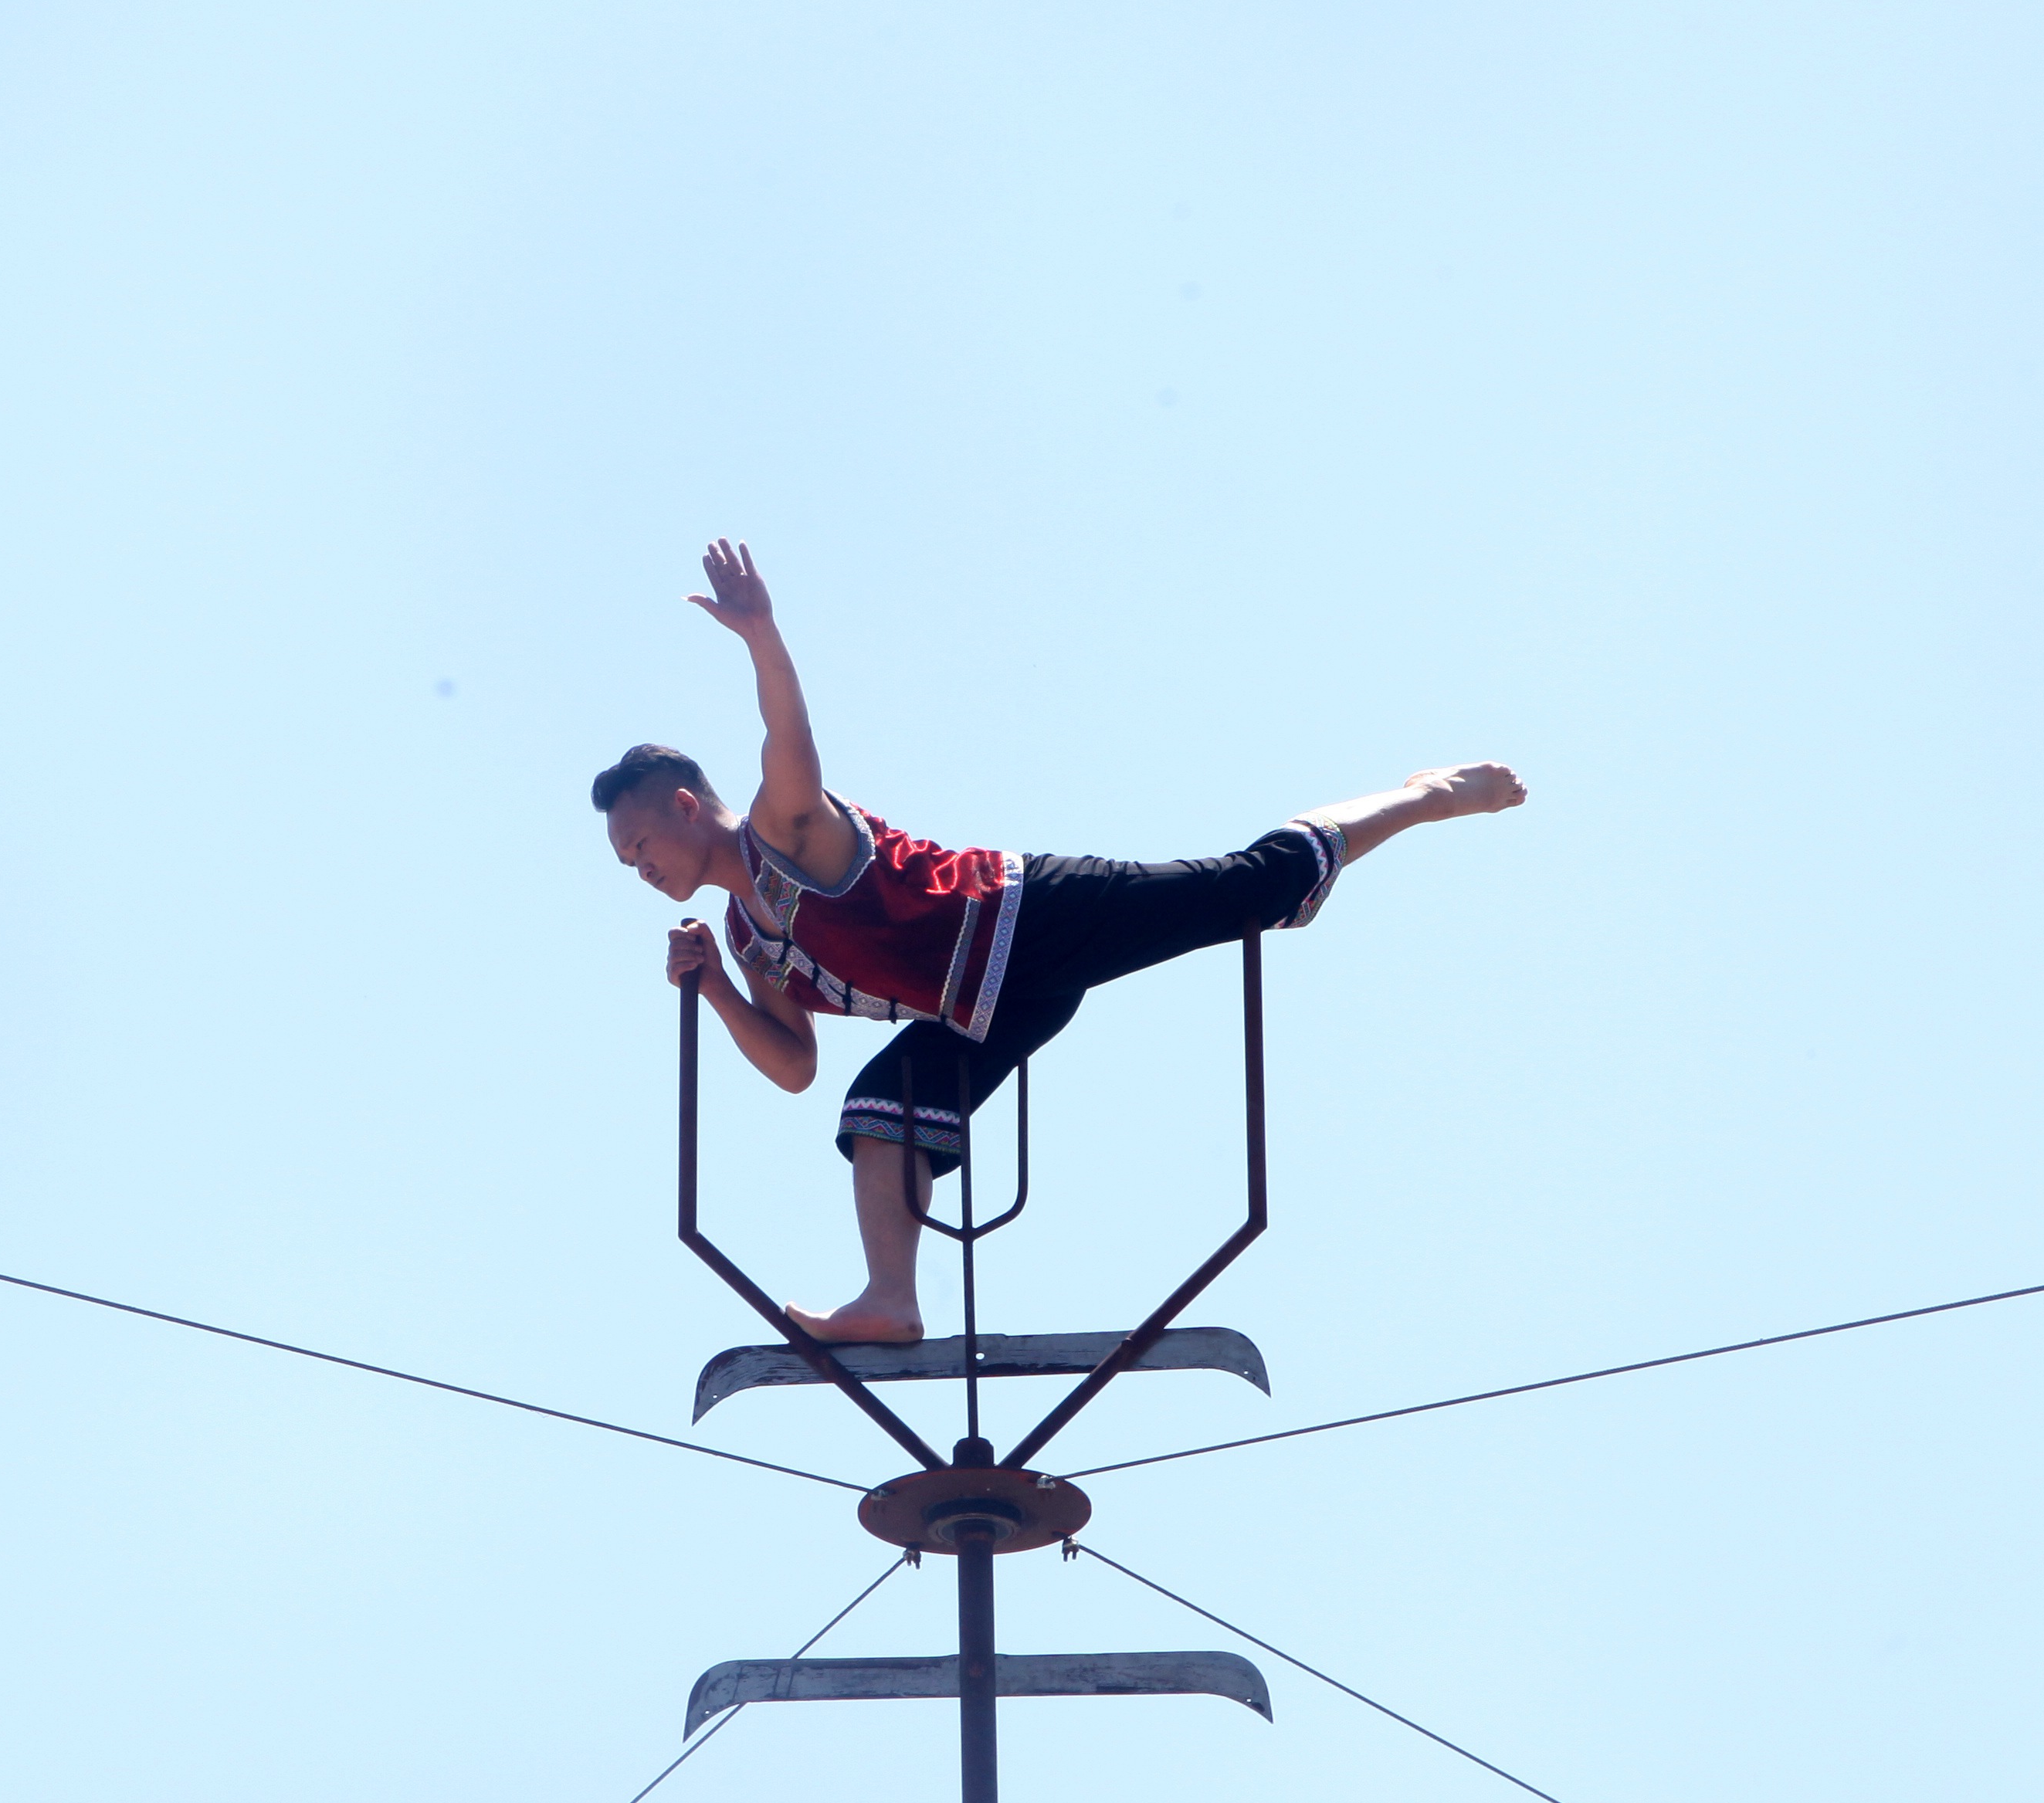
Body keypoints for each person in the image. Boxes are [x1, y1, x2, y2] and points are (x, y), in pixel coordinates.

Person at [602, 539, 1524, 1342]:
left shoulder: (786, 833)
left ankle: (1426, 796)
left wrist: (762, 634)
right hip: (986, 1005)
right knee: (880, 1105)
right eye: (626, 861)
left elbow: (788, 735)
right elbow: (794, 1065)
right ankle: (891, 1301)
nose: (639, 868)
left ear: (685, 806)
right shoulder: (750, 938)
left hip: (1029, 914)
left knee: (1256, 888)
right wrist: (717, 988)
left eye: (641, 844)